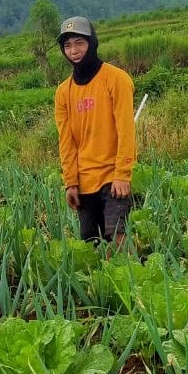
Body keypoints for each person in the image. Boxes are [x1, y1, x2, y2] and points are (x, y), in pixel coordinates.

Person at [53, 16, 137, 248]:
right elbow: (66, 141)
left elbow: (126, 129)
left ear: (92, 42)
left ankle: (130, 282)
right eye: (67, 46)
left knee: (117, 239)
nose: (74, 51)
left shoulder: (116, 79)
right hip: (84, 180)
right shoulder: (63, 92)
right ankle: (99, 285)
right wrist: (70, 182)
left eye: (79, 42)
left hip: (112, 178)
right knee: (91, 245)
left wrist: (123, 174)